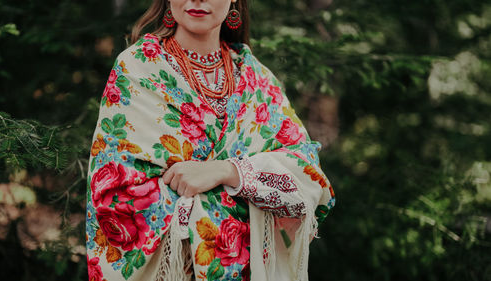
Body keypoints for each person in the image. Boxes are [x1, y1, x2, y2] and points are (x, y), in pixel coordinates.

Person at [85, 0, 335, 280]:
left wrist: (228, 172)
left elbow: (309, 174)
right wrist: (247, 196)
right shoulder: (138, 70)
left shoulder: (257, 79)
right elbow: (114, 194)